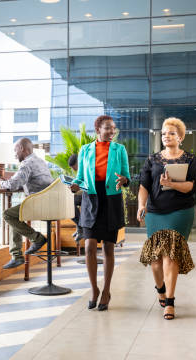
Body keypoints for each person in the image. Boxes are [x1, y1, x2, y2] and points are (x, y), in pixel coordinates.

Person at [137, 117, 196, 320]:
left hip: (180, 212)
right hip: (155, 212)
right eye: (164, 133)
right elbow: (144, 186)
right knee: (155, 261)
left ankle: (170, 302)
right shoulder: (152, 159)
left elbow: (192, 186)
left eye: (171, 133)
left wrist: (172, 184)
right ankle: (160, 290)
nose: (167, 136)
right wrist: (141, 205)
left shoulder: (190, 160)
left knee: (170, 255)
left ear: (180, 137)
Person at [70, 115, 130, 311]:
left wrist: (123, 180)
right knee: (89, 246)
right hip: (90, 198)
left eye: (113, 128)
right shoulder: (85, 150)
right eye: (107, 128)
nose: (111, 132)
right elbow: (79, 177)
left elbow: (126, 176)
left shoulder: (119, 149)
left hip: (111, 199)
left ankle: (106, 290)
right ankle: (94, 289)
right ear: (97, 130)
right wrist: (74, 185)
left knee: (109, 248)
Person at [0, 138, 54, 269]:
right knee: (17, 214)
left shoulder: (27, 163)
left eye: (15, 151)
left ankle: (36, 239)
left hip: (40, 204)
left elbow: (13, 185)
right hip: (50, 204)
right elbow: (18, 179)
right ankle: (16, 256)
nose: (14, 155)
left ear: (21, 148)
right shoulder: (40, 161)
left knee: (8, 214)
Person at [68, 153, 83, 242]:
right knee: (69, 201)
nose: (76, 170)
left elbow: (87, 187)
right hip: (85, 194)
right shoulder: (81, 170)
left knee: (69, 202)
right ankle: (80, 228)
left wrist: (76, 191)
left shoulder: (87, 168)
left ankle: (81, 228)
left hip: (93, 195)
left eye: (75, 168)